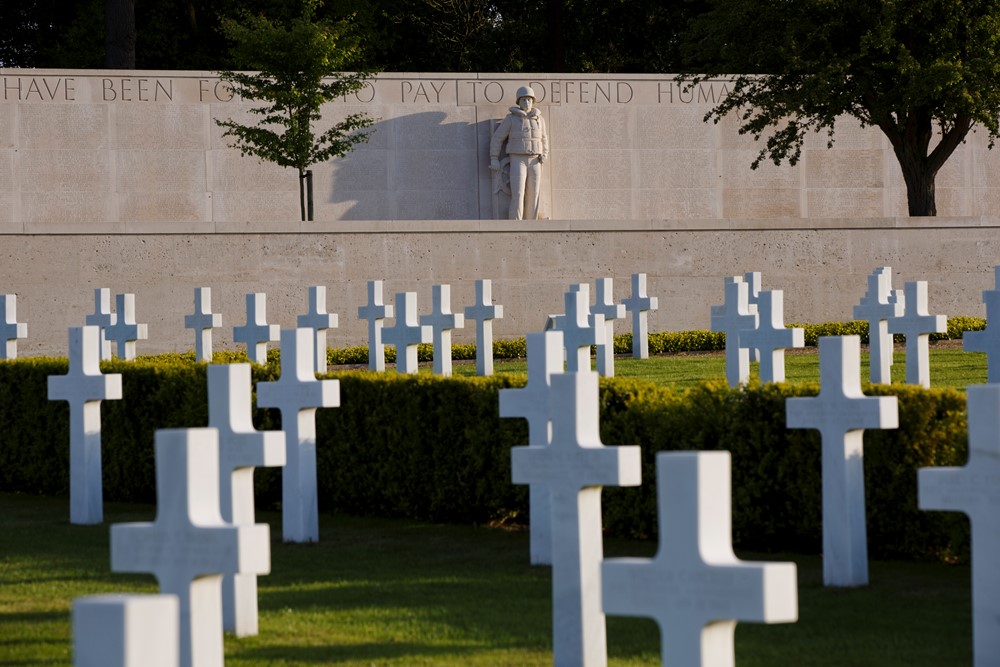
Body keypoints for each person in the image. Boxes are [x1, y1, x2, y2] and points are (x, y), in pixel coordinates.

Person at [490, 86, 549, 220]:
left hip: (535, 160)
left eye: (529, 100)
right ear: (519, 102)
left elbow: (544, 139)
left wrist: (545, 153)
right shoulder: (511, 119)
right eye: (523, 100)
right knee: (518, 193)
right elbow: (498, 138)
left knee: (534, 194)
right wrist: (494, 157)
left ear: (533, 101)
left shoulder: (540, 119)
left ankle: (532, 223)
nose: (527, 102)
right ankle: (516, 223)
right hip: (517, 159)